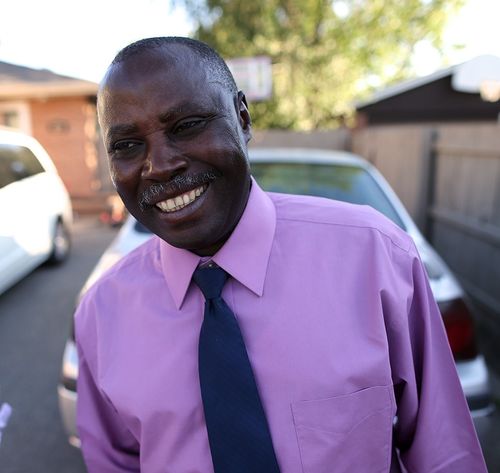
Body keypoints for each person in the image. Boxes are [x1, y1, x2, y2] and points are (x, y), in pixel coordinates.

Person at [76, 36, 487, 473]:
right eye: (125, 145)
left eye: (187, 125)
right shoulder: (101, 314)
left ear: (243, 117)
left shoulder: (375, 260)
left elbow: (445, 455)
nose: (158, 165)